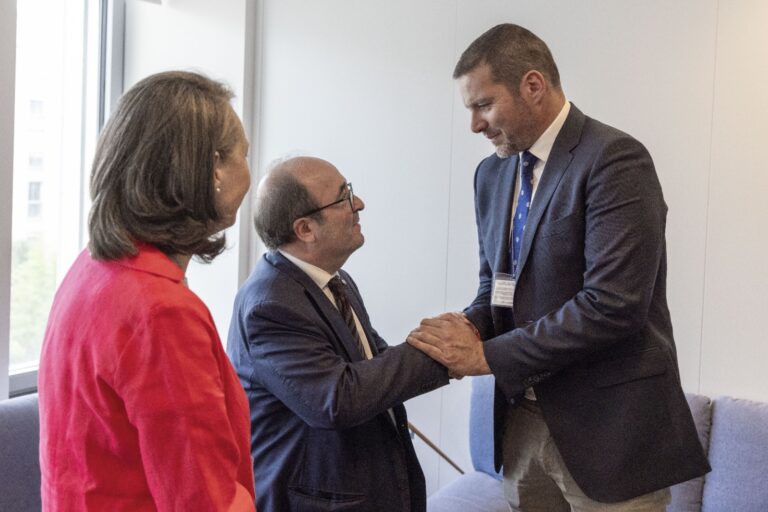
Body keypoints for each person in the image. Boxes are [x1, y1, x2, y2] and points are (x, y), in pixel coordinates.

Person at [408, 24, 710, 511]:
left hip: (610, 435)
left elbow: (613, 305)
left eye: (483, 105)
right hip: (520, 428)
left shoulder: (615, 160)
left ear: (533, 85)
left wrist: (487, 356)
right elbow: (496, 286)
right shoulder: (492, 173)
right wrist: (462, 327)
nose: (474, 126)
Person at [38, 71, 256, 511]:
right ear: (212, 167)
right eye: (243, 156)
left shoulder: (93, 268)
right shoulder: (161, 312)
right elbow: (204, 501)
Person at [227, 156, 449, 512]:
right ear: (305, 230)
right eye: (344, 196)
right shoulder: (269, 306)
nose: (358, 204)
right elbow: (338, 399)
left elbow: (373, 362)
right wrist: (444, 353)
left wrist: (435, 344)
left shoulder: (336, 280)